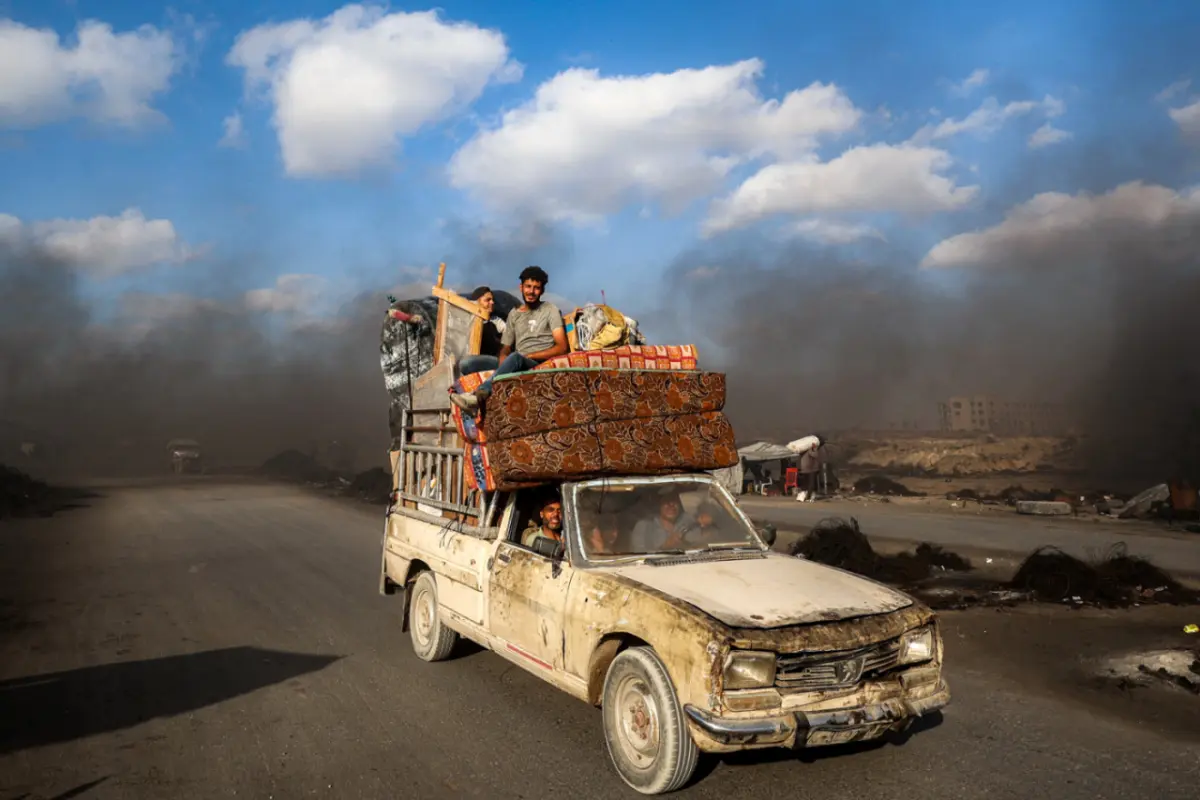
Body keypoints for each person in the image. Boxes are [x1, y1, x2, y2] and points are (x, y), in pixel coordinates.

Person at [450, 266, 568, 415]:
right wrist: (503, 357)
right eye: (528, 286)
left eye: (537, 288)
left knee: (516, 357)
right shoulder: (514, 314)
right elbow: (506, 346)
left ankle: (477, 396)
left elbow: (561, 347)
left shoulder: (550, 309)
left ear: (542, 290)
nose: (531, 291)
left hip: (535, 362)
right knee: (467, 363)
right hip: (515, 360)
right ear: (521, 287)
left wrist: (530, 356)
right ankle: (485, 391)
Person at [457, 286, 507, 376]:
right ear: (476, 302)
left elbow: (508, 332)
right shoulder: (467, 321)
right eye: (487, 300)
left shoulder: (495, 320)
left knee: (467, 363)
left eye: (492, 300)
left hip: (492, 361)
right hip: (472, 361)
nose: (492, 302)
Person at [629, 487, 698, 552]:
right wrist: (664, 547)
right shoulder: (644, 526)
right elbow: (639, 555)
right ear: (659, 504)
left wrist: (705, 525)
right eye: (666, 501)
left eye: (674, 501)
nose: (671, 505)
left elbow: (701, 541)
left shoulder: (688, 520)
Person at [795, 436, 824, 503]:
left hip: (804, 469)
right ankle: (808, 497)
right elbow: (815, 455)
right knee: (811, 484)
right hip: (811, 468)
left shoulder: (802, 451)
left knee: (805, 484)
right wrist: (815, 449)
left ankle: (802, 497)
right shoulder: (810, 450)